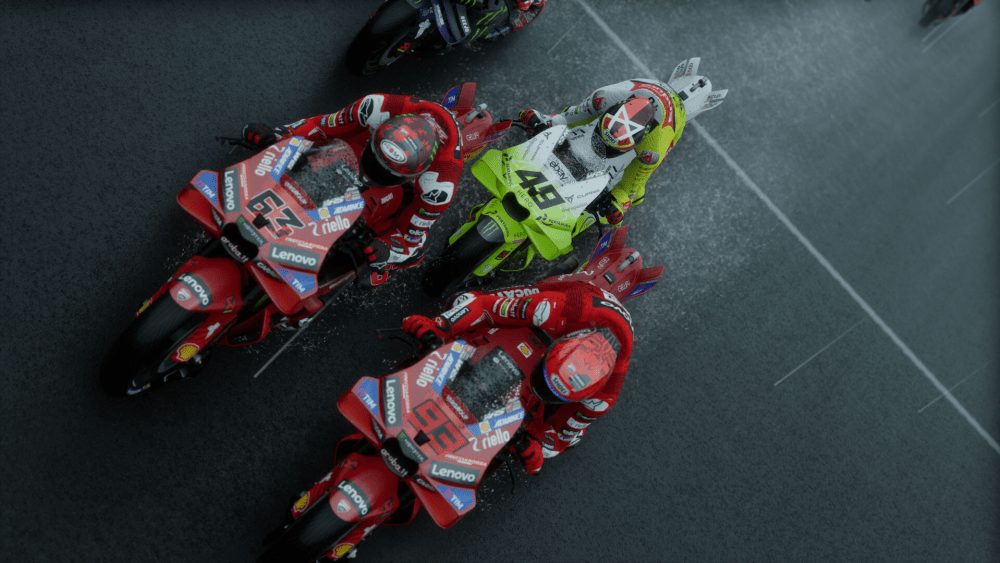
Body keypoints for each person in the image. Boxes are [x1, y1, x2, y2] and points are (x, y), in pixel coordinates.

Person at [401, 277, 635, 474]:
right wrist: (439, 326)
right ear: (555, 349)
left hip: (578, 336)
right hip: (575, 296)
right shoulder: (551, 309)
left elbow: (557, 440)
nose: (541, 387)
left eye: (551, 392)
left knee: (552, 446)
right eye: (543, 379)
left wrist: (533, 448)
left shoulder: (602, 398)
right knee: (462, 300)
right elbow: (483, 306)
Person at [242, 92, 464, 287]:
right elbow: (321, 127)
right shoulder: (375, 107)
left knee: (377, 236)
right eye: (374, 162)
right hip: (354, 150)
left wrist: (385, 248)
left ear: (413, 175)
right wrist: (280, 136)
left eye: (385, 173)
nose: (369, 175)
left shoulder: (439, 186)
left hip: (394, 194)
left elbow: (410, 241)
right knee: (322, 153)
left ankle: (381, 264)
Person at [517, 58, 725, 226]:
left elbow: (633, 184)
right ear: (610, 111)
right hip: (642, 92)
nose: (602, 147)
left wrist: (619, 201)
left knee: (627, 199)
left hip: (669, 123)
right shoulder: (605, 97)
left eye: (611, 148)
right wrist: (548, 122)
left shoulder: (653, 149)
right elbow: (574, 115)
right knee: (582, 118)